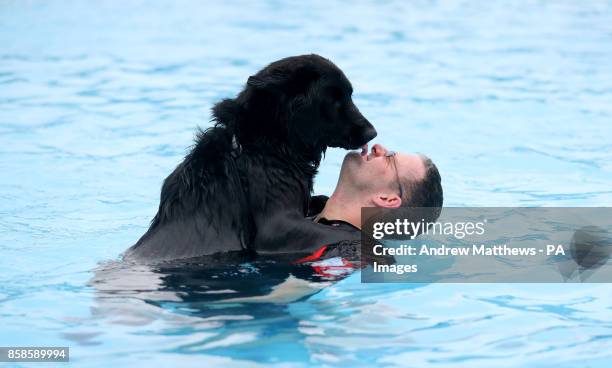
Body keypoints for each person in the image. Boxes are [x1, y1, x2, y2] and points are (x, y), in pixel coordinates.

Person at [293, 143, 443, 277]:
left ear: (387, 199)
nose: (377, 147)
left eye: (389, 157)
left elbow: (285, 294)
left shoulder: (356, 255)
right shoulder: (308, 206)